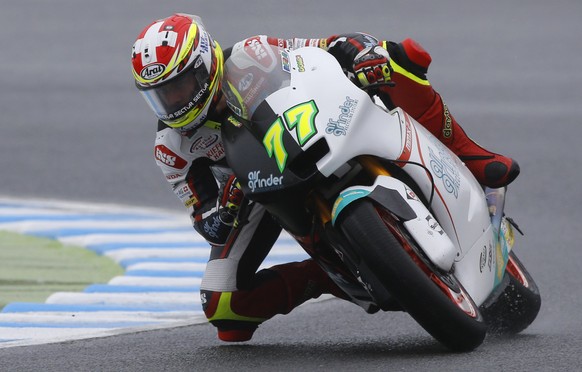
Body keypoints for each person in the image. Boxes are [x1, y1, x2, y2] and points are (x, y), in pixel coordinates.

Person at [131, 13, 519, 342]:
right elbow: (206, 223)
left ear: (206, 64)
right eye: (160, 95)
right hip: (254, 191)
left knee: (398, 57)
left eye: (179, 86)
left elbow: (324, 48)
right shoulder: (171, 148)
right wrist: (227, 206)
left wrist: (360, 49)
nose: (173, 102)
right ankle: (334, 275)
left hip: (306, 131)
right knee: (224, 310)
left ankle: (473, 154)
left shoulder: (253, 54)